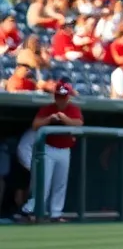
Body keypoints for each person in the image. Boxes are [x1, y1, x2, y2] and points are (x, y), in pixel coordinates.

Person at [18, 82, 83, 222]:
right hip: (48, 149)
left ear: (68, 97)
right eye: (59, 96)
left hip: (65, 150)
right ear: (55, 97)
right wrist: (50, 118)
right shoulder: (47, 109)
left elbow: (79, 123)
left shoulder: (73, 109)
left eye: (64, 97)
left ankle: (56, 213)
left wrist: (64, 118)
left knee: (60, 184)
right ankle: (31, 210)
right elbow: (35, 125)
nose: (61, 100)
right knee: (43, 183)